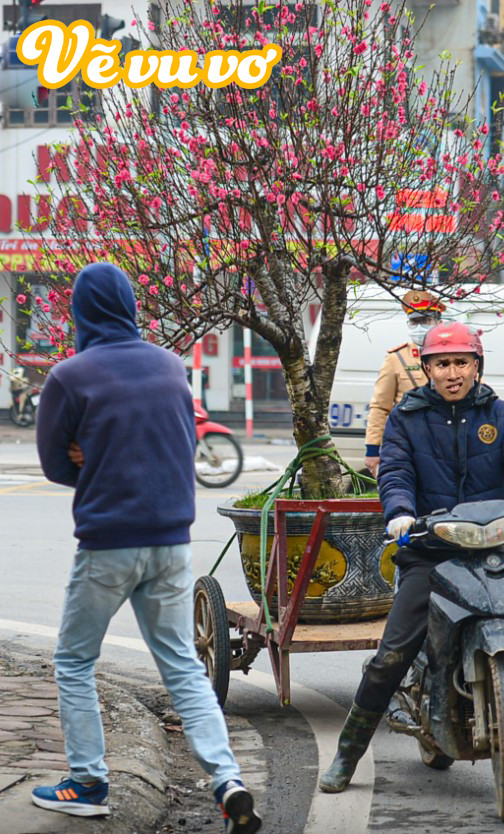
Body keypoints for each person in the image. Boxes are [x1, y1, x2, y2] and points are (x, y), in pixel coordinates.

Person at [318, 321, 504, 795]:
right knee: (392, 654)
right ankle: (345, 759)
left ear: (477, 365)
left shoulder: (500, 414)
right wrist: (399, 513)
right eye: (442, 363)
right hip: (429, 553)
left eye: (461, 362)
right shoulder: (405, 419)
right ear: (426, 368)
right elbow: (394, 474)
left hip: (491, 548)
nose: (452, 372)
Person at [32, 263, 261, 833]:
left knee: (74, 660)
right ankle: (227, 779)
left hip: (109, 543)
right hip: (172, 542)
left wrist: (91, 455)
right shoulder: (168, 364)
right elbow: (180, 439)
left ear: (81, 311)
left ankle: (86, 782)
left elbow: (55, 464)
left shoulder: (69, 376)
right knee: (182, 664)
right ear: (130, 306)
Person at [363, 289, 445, 476]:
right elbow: (380, 406)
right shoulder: (397, 358)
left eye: (425, 321)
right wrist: (372, 449)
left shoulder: (454, 355)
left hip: (445, 442)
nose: (419, 327)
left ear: (438, 322)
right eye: (414, 321)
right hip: (409, 443)